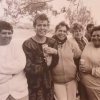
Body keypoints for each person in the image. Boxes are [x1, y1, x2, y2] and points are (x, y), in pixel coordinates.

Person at [22, 13, 59, 100]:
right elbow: (27, 67)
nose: (42, 28)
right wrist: (45, 65)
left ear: (48, 27)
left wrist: (56, 53)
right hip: (34, 85)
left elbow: (55, 63)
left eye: (45, 25)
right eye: (39, 25)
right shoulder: (27, 44)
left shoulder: (52, 42)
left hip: (48, 83)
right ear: (34, 26)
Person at [52, 21, 81, 100]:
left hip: (72, 80)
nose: (62, 33)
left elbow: (78, 57)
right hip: (57, 82)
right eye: (60, 30)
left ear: (67, 33)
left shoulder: (72, 43)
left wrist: (78, 71)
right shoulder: (50, 43)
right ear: (55, 31)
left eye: (64, 31)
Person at [0, 21, 28, 100]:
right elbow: (16, 68)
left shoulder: (16, 46)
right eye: (4, 33)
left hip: (20, 93)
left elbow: (20, 65)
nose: (7, 36)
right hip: (2, 94)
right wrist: (11, 74)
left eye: (9, 33)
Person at [79, 26, 100, 100]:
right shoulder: (89, 44)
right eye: (93, 35)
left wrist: (90, 70)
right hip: (83, 84)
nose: (95, 37)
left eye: (98, 35)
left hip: (95, 87)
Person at [71, 23, 88, 100]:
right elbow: (70, 59)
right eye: (76, 31)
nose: (78, 33)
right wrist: (75, 71)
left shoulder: (84, 39)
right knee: (81, 89)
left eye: (80, 31)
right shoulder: (70, 42)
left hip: (85, 66)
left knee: (87, 88)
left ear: (83, 31)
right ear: (72, 32)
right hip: (76, 66)